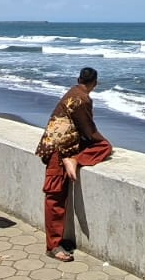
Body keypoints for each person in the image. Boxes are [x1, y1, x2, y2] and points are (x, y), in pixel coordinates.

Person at [42, 67, 111, 262]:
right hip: (60, 150)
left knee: (55, 197)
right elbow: (89, 129)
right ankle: (53, 247)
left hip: (53, 144)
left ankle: (74, 159)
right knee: (54, 197)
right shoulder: (83, 98)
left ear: (78, 79)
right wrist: (103, 142)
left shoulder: (72, 92)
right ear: (95, 83)